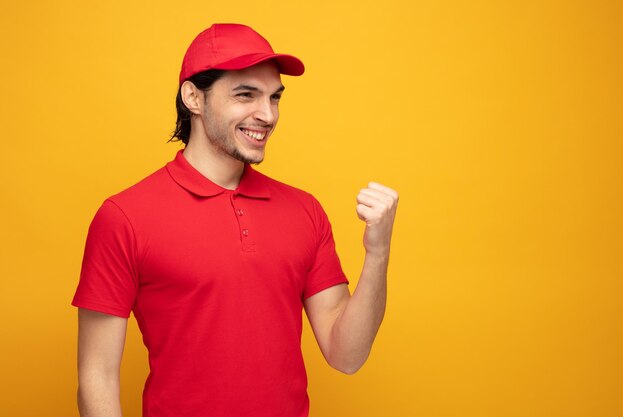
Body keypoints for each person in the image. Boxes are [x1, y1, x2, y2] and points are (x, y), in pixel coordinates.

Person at [73, 23, 398, 417]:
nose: (267, 115)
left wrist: (377, 252)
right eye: (246, 95)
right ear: (193, 97)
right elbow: (97, 376)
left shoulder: (304, 210)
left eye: (274, 98)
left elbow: (346, 354)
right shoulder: (124, 217)